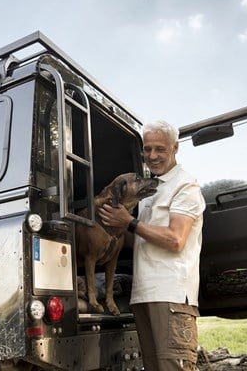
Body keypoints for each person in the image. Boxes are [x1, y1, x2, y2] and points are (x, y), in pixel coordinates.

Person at [98, 119, 205, 371]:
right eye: (147, 149)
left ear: (175, 148)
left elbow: (175, 239)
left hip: (170, 294)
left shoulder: (185, 185)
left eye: (160, 149)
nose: (152, 156)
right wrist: (104, 232)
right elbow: (142, 237)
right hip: (144, 294)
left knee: (173, 366)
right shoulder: (150, 190)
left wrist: (129, 222)